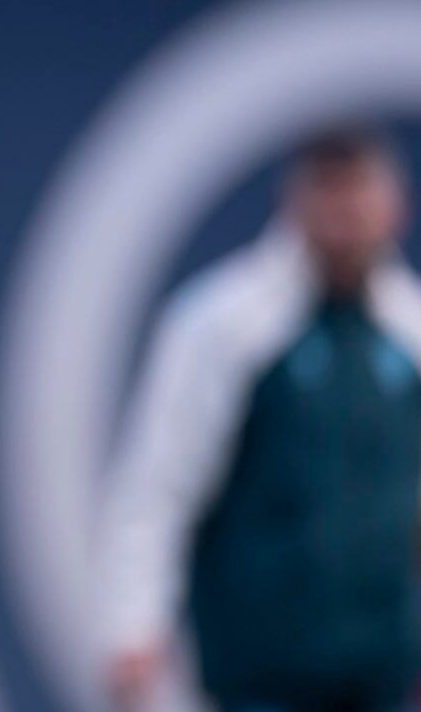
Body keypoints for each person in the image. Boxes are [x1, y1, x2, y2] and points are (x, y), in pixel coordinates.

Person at [100, 124, 421, 712]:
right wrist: (134, 622)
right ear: (297, 204)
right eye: (330, 197)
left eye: (360, 196)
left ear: (393, 205)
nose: (346, 219)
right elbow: (159, 481)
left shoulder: (409, 330)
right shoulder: (223, 325)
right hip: (257, 670)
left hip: (383, 670)